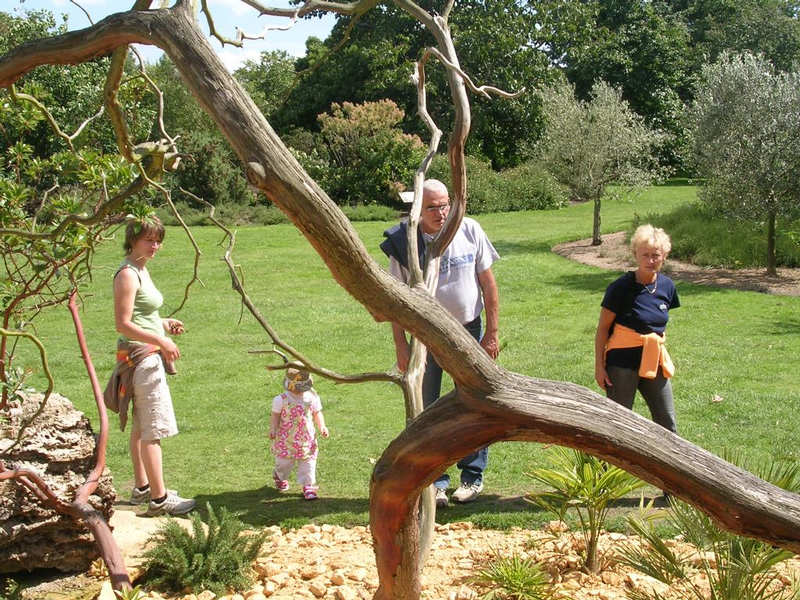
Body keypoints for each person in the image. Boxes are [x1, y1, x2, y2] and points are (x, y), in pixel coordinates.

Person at [381, 179, 500, 508]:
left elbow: (488, 285)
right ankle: (435, 482)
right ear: (417, 210)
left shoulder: (470, 230)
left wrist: (491, 333)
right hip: (426, 335)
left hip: (469, 330)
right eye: (432, 207)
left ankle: (472, 476)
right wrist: (401, 346)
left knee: (476, 403)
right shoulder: (403, 243)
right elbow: (395, 301)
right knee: (429, 410)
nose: (441, 212)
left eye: (445, 204)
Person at [105, 215, 196, 517]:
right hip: (142, 357)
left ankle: (142, 488)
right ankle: (159, 498)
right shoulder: (128, 274)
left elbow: (140, 316)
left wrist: (164, 324)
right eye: (149, 240)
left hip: (143, 353)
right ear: (133, 239)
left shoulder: (142, 269)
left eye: (158, 240)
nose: (155, 245)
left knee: (142, 424)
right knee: (152, 429)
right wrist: (163, 342)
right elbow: (123, 323)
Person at [594, 224, 680, 434]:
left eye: (656, 255)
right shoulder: (620, 287)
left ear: (664, 256)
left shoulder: (667, 287)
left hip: (654, 359)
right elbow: (603, 329)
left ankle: (665, 467)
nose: (651, 261)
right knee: (618, 425)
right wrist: (599, 366)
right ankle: (608, 467)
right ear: (635, 255)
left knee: (667, 423)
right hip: (622, 363)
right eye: (645, 255)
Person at [269, 368, 329, 500]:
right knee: (283, 463)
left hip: (306, 439)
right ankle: (279, 476)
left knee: (308, 462)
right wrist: (273, 429)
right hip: (286, 439)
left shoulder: (311, 397)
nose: (298, 391)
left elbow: (317, 413)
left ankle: (308, 486)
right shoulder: (281, 399)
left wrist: (322, 426)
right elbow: (275, 416)